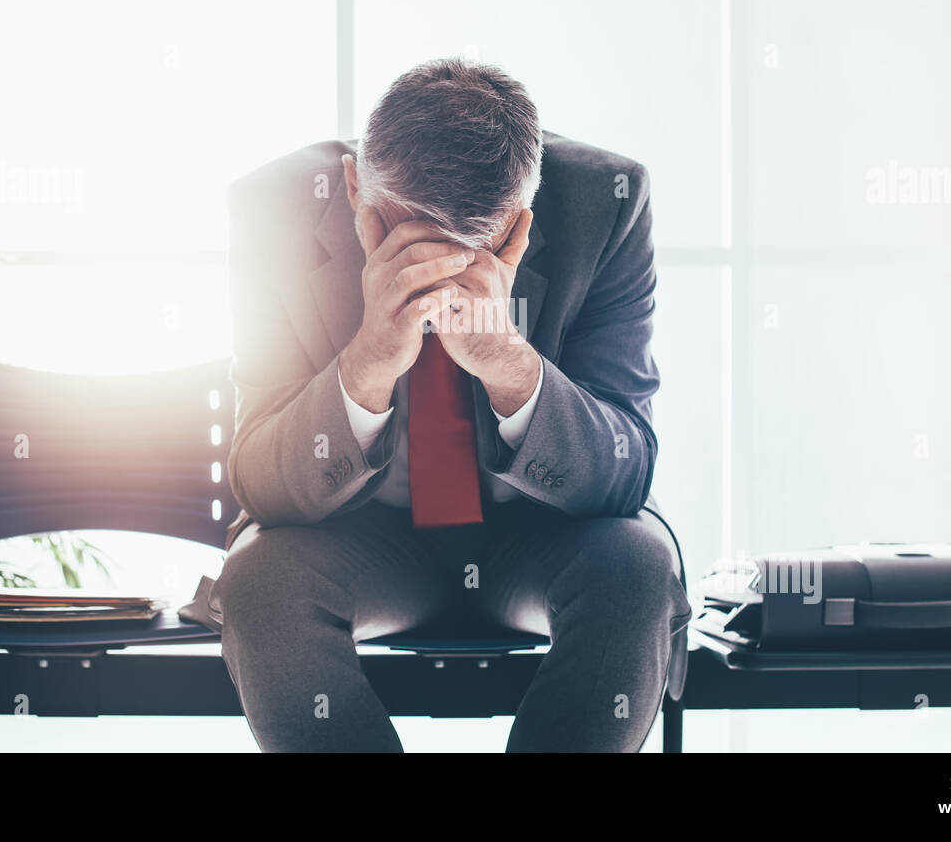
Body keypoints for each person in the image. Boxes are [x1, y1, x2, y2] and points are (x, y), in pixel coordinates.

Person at [213, 57, 691, 751]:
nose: (443, 274)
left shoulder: (605, 201)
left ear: (525, 212)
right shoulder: (274, 207)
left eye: (478, 247)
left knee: (639, 567)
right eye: (411, 241)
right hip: (358, 537)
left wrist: (510, 366)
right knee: (259, 580)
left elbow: (624, 473)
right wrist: (366, 367)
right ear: (354, 188)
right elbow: (261, 481)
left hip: (539, 536)